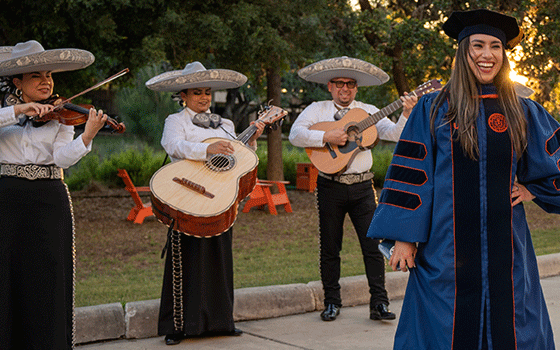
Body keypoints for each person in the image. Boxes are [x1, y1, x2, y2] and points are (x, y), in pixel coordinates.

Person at [366, 9, 560, 349]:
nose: (487, 55)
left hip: (507, 247)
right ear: (463, 51)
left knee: (512, 322)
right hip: (445, 247)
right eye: (478, 45)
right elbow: (412, 176)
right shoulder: (433, 108)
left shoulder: (521, 109)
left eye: (496, 47)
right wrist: (404, 237)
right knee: (443, 326)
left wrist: (533, 189)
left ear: (504, 54)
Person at [0, 40, 112, 349]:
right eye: (37, 76)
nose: (47, 82)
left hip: (50, 197)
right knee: (9, 273)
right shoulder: (0, 109)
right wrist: (17, 110)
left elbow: (61, 158)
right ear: (17, 81)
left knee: (51, 275)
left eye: (49, 75)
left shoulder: (61, 114)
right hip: (11, 198)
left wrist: (87, 136)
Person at [289, 56, 417, 322]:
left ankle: (379, 304)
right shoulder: (317, 109)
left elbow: (394, 134)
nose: (344, 89)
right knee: (330, 247)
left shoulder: (368, 110)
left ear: (356, 88)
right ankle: (332, 303)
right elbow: (295, 134)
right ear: (330, 86)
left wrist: (405, 113)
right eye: (339, 84)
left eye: (350, 84)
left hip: (362, 187)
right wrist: (326, 136)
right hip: (329, 186)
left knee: (373, 247)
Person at [145, 62, 265, 346]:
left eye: (207, 92)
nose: (203, 98)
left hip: (219, 197)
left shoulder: (226, 125)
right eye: (197, 92)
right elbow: (172, 145)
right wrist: (205, 149)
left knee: (219, 258)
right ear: (183, 95)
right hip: (185, 195)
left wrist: (253, 143)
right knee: (182, 258)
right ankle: (177, 326)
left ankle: (221, 322)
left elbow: (237, 160)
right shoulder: (176, 121)